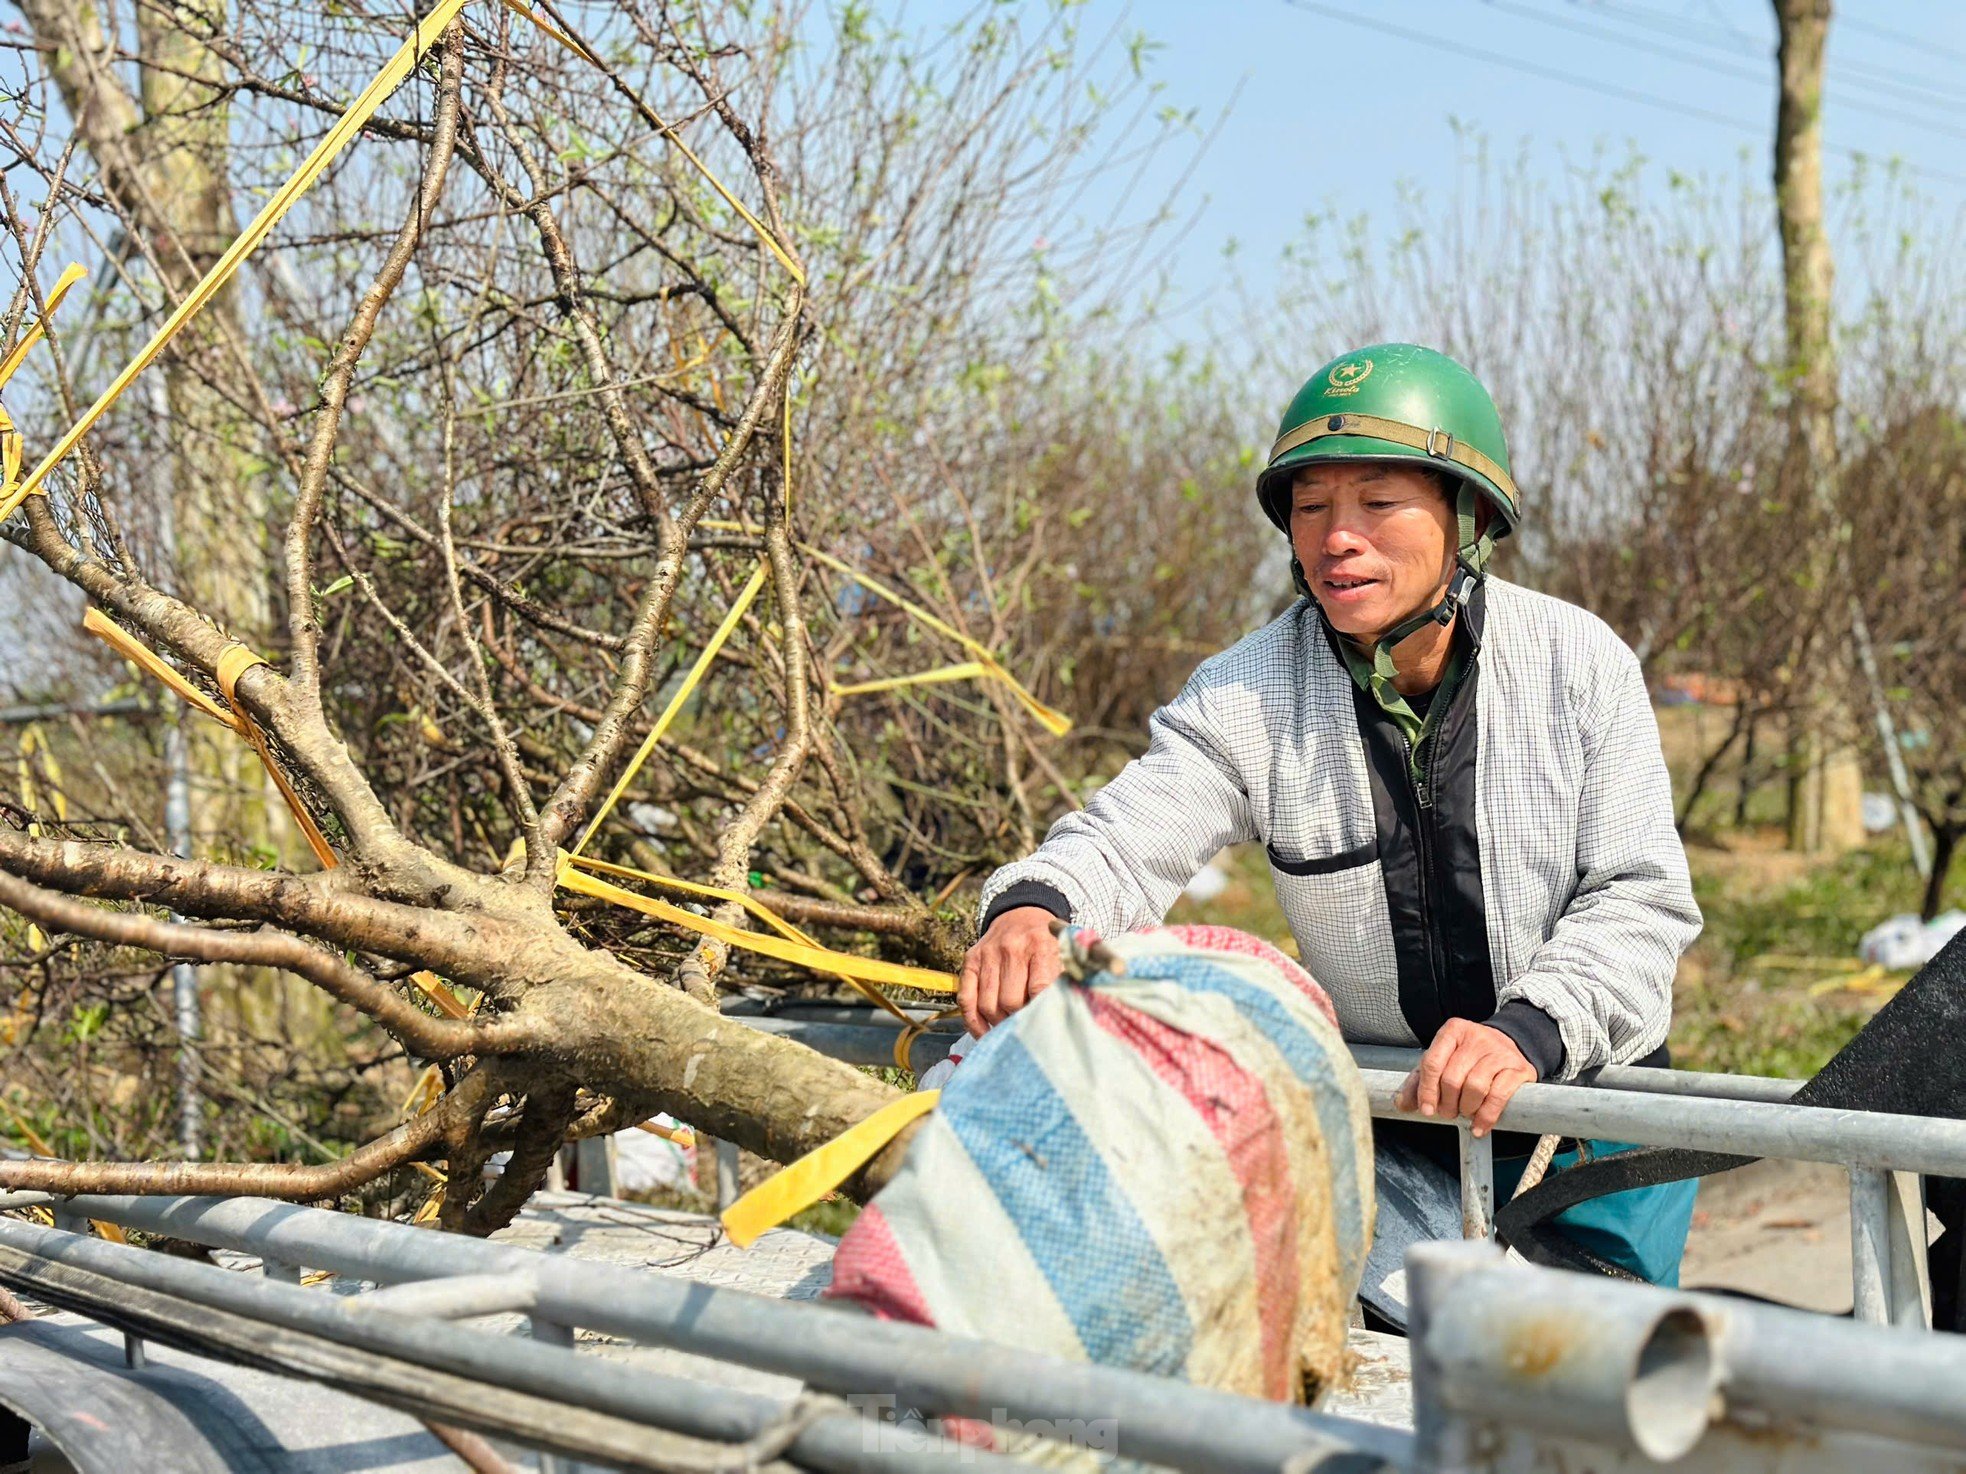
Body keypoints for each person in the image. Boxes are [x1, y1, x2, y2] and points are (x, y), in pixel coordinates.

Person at [959, 343, 1702, 1308]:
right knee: (1370, 1384)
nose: (1337, 538)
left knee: (1583, 1405)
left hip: (1588, 1115)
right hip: (1396, 1116)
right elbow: (1130, 830)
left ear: (1468, 515)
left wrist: (1529, 1027)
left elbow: (1641, 899)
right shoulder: (1250, 687)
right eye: (1311, 507)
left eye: (1378, 502)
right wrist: (1032, 908)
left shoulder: (1578, 665)